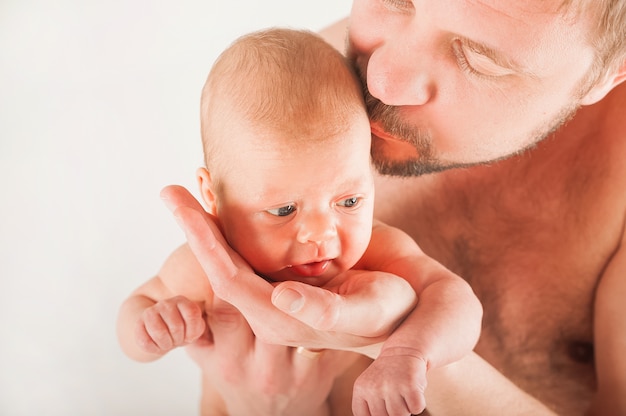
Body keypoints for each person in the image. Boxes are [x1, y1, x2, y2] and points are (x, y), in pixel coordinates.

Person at [161, 1, 626, 415]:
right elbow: (225, 377)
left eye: (478, 58)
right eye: (395, 0)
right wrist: (262, 404)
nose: (380, 81)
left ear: (612, 68)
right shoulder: (307, 88)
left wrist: (400, 344)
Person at [117, 28, 482, 416]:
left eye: (349, 200)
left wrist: (408, 353)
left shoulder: (376, 253)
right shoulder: (205, 268)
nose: (321, 233)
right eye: (283, 210)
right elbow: (135, 313)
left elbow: (457, 301)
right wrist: (151, 327)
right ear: (212, 196)